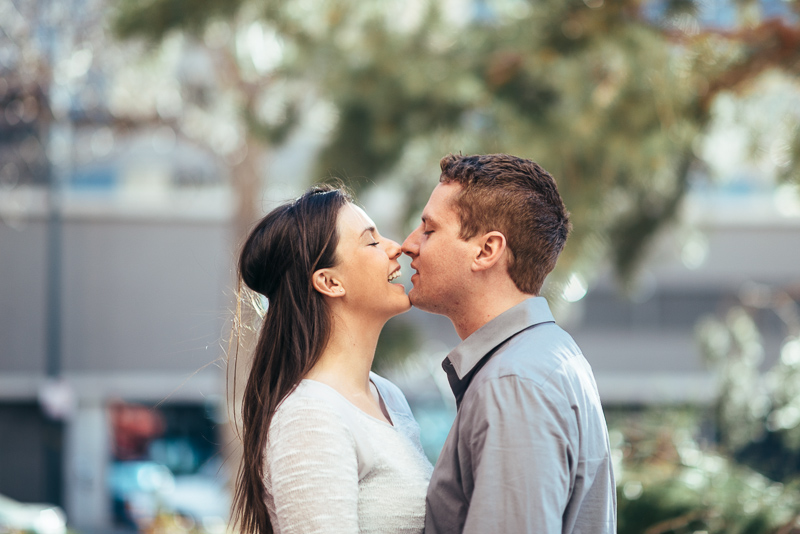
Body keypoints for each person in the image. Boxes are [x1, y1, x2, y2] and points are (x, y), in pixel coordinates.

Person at [402, 154, 616, 533]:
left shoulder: (514, 382)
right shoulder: (541, 359)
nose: (408, 245)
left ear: (487, 250)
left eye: (429, 230)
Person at [231, 185, 433, 534]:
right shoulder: (310, 416)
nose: (395, 248)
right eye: (372, 242)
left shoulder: (387, 395)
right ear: (329, 281)